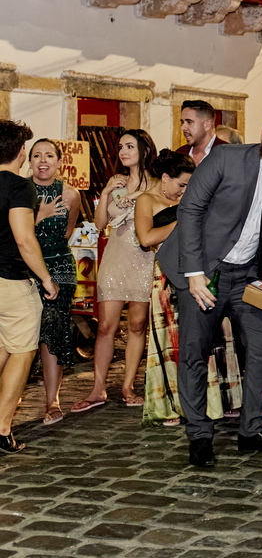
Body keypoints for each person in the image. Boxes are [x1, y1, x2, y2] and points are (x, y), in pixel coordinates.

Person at [157, 107, 262, 468]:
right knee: (195, 351)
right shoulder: (225, 158)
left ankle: (252, 431)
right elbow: (191, 209)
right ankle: (199, 436)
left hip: (247, 277)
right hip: (204, 270)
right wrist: (193, 272)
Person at [73, 129, 157, 412]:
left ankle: (127, 385)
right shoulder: (115, 181)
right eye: (121, 147)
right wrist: (108, 191)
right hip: (116, 256)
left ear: (144, 149)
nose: (123, 151)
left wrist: (137, 196)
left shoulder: (157, 183)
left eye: (130, 146)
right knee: (106, 325)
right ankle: (98, 388)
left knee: (137, 325)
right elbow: (99, 224)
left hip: (145, 257)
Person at [0, 121, 59, 454]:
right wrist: (46, 279)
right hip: (10, 280)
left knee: (3, 348)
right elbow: (24, 238)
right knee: (22, 351)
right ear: (21, 151)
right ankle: (2, 427)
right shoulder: (19, 187)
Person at [136, 150, 206, 427]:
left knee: (197, 337)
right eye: (181, 185)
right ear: (165, 178)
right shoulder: (146, 200)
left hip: (193, 268)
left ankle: (202, 401)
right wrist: (184, 221)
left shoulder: (188, 199)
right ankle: (170, 403)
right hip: (164, 273)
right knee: (169, 339)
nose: (184, 191)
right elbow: (146, 238)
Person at [27, 140, 80, 427]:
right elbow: (12, 234)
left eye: (49, 155)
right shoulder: (19, 190)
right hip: (22, 268)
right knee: (22, 335)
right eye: (37, 155)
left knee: (53, 333)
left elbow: (68, 231)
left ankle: (52, 401)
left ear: (59, 161)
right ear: (29, 161)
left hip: (59, 268)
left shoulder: (70, 195)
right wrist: (40, 216)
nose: (42, 160)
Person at [177, 100, 226, 166]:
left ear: (207, 125)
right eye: (182, 122)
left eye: (189, 122)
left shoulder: (227, 153)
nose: (183, 127)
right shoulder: (180, 153)